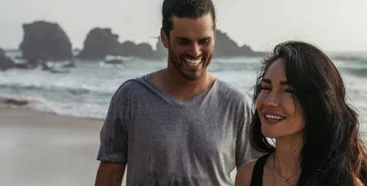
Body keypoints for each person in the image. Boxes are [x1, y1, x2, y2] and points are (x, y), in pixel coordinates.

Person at [94, 0, 257, 185]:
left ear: (214, 37)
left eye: (204, 41)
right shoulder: (130, 97)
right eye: (184, 42)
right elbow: (110, 176)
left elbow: (255, 177)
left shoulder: (237, 105)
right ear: (164, 38)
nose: (195, 52)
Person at [234, 41, 367, 186]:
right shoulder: (247, 176)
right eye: (266, 87)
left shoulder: (343, 182)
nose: (269, 101)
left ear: (316, 103)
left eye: (288, 91)